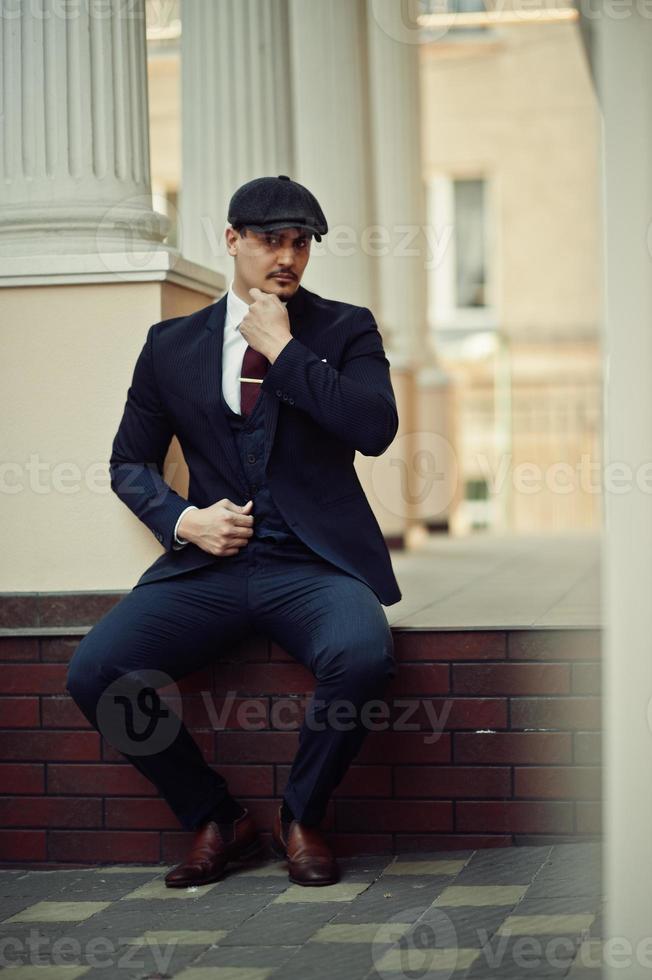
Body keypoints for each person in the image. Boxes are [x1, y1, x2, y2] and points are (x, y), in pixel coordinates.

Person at [66, 174, 402, 888]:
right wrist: (185, 519)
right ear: (231, 240)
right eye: (269, 240)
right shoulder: (171, 345)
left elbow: (374, 430)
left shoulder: (345, 329)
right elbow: (129, 462)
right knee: (95, 670)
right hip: (210, 566)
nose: (287, 256)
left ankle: (299, 815)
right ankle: (217, 817)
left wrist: (285, 352)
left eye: (300, 243)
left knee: (363, 653)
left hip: (313, 563)